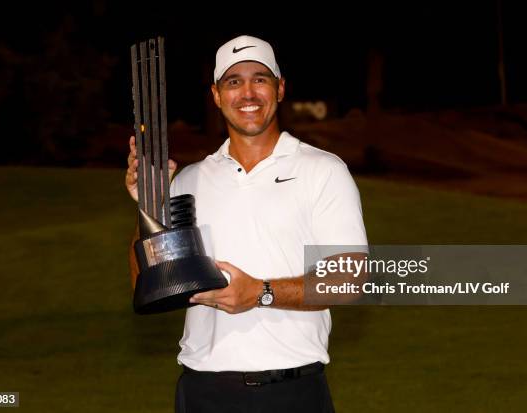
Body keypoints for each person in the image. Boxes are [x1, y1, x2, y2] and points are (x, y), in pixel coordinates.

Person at [125, 35, 368, 413]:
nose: (248, 92)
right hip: (202, 391)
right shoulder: (189, 180)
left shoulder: (323, 171)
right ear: (217, 95)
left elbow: (351, 278)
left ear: (280, 88)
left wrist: (260, 291)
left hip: (291, 391)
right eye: (233, 82)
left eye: (260, 78)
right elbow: (148, 282)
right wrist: (150, 205)